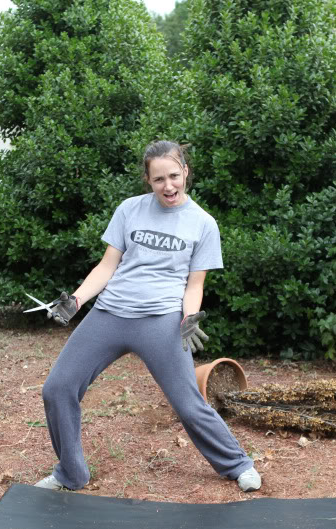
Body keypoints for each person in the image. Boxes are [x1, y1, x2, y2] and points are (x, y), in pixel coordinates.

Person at [34, 140, 261, 493]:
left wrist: (189, 318)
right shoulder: (129, 210)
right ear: (148, 180)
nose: (168, 186)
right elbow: (107, 266)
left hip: (161, 320)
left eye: (174, 176)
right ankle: (71, 474)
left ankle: (237, 464)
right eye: (158, 180)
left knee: (188, 403)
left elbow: (194, 283)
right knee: (58, 388)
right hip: (110, 313)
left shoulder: (203, 224)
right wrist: (76, 301)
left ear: (185, 172)